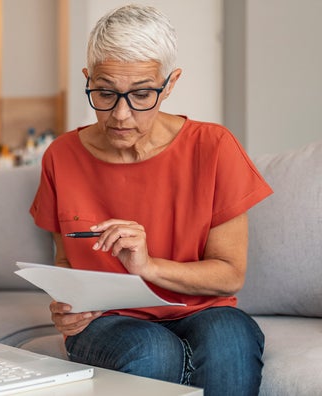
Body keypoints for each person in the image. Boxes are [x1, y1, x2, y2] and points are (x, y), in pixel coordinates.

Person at [29, 4, 272, 395]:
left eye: (141, 94)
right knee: (152, 349)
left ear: (170, 83)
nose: (121, 115)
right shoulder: (61, 155)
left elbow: (230, 273)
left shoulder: (213, 147)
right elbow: (64, 259)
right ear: (87, 79)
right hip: (107, 321)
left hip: (202, 311)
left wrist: (147, 266)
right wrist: (66, 305)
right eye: (105, 92)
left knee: (231, 340)